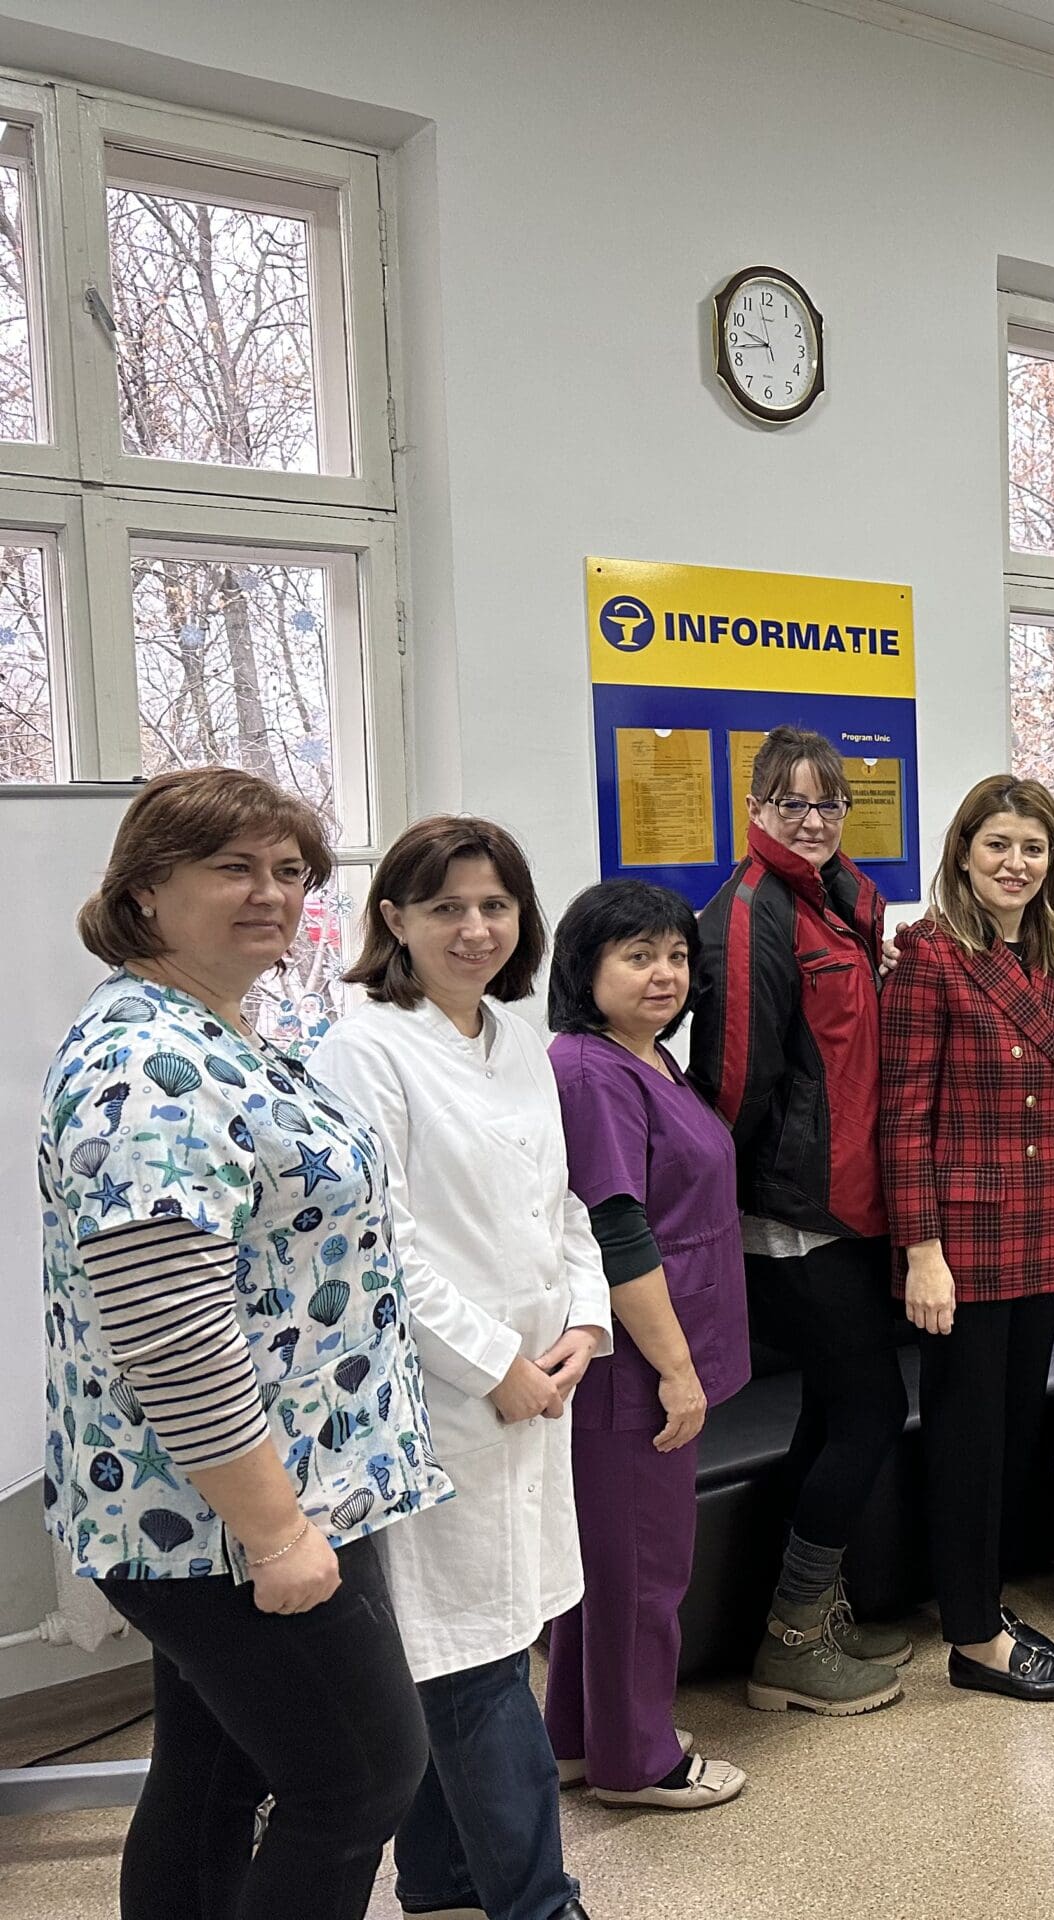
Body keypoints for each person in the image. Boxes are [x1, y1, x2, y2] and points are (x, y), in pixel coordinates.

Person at [39, 767, 450, 1920]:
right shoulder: (145, 1067)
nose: (271, 893)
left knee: (215, 1774)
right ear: (144, 890)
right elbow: (169, 1329)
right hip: (228, 1512)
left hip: (261, 1491)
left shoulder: (213, 1029)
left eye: (288, 871)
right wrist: (275, 1535)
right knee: (358, 1779)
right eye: (233, 868)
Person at [311, 817, 608, 1920]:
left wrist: (585, 1324)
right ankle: (540, 1902)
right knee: (472, 1661)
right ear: (394, 919)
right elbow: (375, 1246)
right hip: (440, 1398)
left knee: (492, 1640)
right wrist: (494, 1365)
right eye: (446, 908)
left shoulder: (516, 1037)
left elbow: (561, 1204)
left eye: (495, 906)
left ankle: (438, 1879)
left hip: (541, 1383)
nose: (475, 928)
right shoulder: (364, 1050)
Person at [689, 726, 909, 1717]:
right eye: (791, 804)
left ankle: (812, 1613)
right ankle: (790, 1641)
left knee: (833, 1408)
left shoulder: (845, 902)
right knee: (869, 1411)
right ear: (754, 809)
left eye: (828, 803)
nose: (812, 821)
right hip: (790, 1215)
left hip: (854, 1202)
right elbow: (734, 1080)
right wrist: (719, 1219)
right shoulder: (749, 915)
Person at [881, 776, 1054, 1701]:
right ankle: (972, 1638)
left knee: (1011, 1433)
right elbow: (903, 1121)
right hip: (962, 1243)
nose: (1016, 864)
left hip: (1042, 1225)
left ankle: (988, 1606)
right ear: (964, 853)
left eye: (1033, 848)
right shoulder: (929, 956)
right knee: (966, 1441)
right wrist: (921, 1253)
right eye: (998, 845)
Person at [544, 882, 753, 1806]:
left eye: (675, 955)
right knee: (644, 1570)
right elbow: (615, 1229)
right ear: (585, 969)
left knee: (613, 1563)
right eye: (637, 956)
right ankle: (638, 1761)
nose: (664, 973)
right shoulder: (592, 1073)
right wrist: (674, 1371)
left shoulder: (651, 1057)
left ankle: (579, 1737)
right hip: (635, 1363)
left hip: (666, 1342)